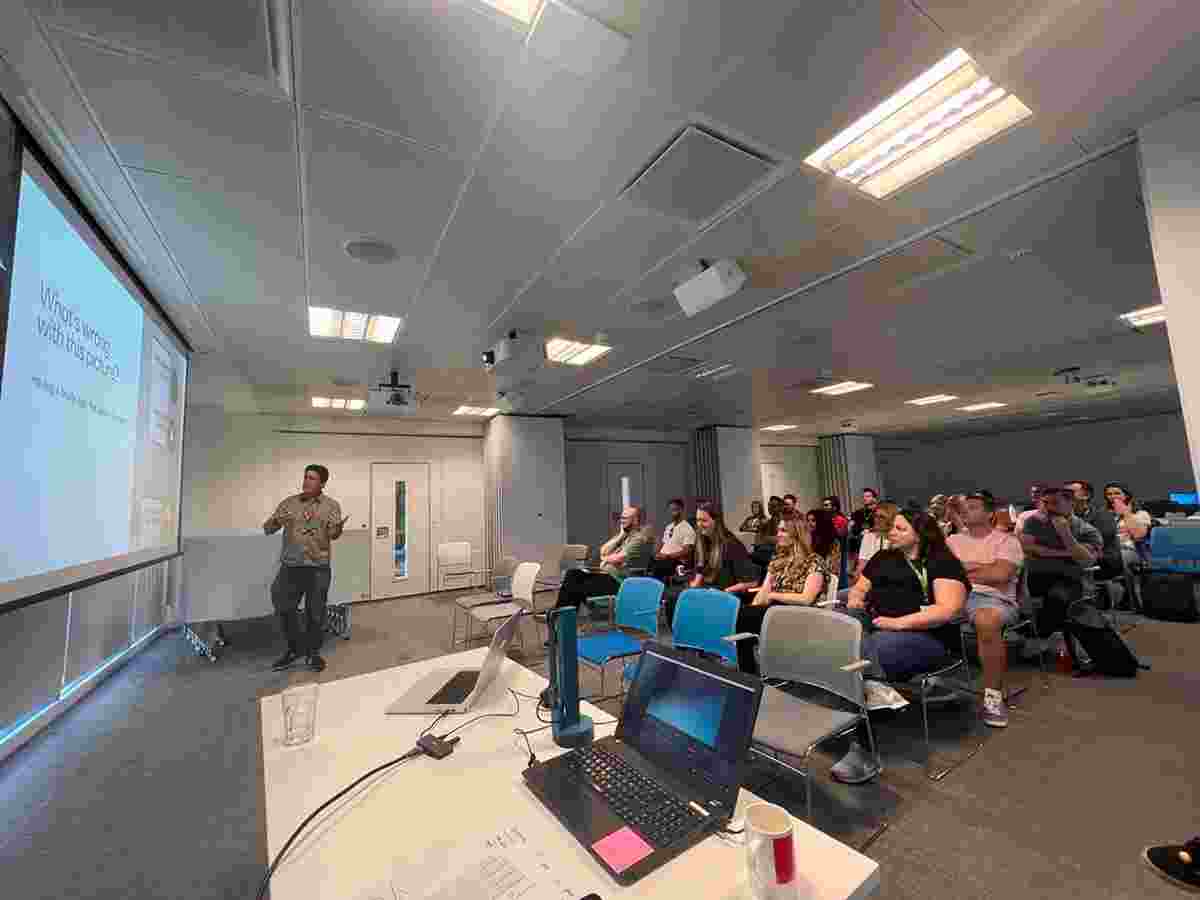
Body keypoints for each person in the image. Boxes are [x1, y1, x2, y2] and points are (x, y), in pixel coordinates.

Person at [830, 509, 969, 783]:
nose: (891, 532)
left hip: (928, 637)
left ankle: (864, 751)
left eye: (900, 528)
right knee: (839, 629)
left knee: (861, 659)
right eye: (892, 527)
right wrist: (856, 599)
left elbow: (947, 610)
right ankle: (875, 688)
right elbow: (859, 590)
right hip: (876, 627)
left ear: (920, 535)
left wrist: (899, 623)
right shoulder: (883, 558)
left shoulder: (942, 562)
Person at [947, 491, 1024, 728]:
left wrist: (965, 569)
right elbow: (944, 574)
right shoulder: (952, 541)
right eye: (964, 507)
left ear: (990, 513)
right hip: (953, 595)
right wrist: (983, 567)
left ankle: (993, 697)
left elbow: (1000, 575)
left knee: (986, 620)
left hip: (993, 599)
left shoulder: (1007, 541)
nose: (965, 510)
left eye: (973, 506)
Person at [263, 464, 350, 672]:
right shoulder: (289, 503)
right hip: (291, 567)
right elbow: (268, 529)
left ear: (322, 483)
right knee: (283, 605)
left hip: (318, 567)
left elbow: (333, 535)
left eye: (311, 478)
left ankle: (312, 653)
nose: (306, 481)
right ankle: (294, 649)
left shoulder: (331, 506)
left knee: (316, 613)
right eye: (305, 477)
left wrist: (337, 529)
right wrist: (276, 521)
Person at [1017, 484, 1103, 672]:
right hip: (1034, 577)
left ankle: (1045, 639)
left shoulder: (1086, 530)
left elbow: (1087, 560)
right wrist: (1066, 553)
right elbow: (1028, 548)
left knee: (1060, 598)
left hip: (1069, 580)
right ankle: (1041, 636)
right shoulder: (1033, 522)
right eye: (1045, 503)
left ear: (1070, 503)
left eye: (1055, 503)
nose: (1048, 508)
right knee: (1029, 599)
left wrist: (1065, 535)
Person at [732, 518, 834, 674]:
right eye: (778, 530)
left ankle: (748, 671)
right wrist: (753, 607)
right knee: (742, 614)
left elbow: (806, 599)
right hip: (775, 611)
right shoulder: (778, 561)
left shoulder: (814, 561)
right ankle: (748, 670)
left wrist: (774, 595)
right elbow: (763, 592)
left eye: (783, 530)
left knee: (744, 618)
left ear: (797, 534)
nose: (778, 534)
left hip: (802, 614)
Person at [665, 502, 760, 624]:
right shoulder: (703, 541)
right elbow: (700, 569)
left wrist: (724, 592)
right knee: (673, 598)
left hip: (724, 594)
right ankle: (683, 639)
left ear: (716, 521)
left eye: (704, 521)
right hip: (708, 590)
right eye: (698, 521)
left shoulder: (731, 544)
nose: (699, 525)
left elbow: (751, 582)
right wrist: (694, 585)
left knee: (680, 602)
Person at [556, 506, 654, 610]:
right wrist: (621, 535)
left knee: (575, 585)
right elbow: (603, 550)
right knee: (573, 575)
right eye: (621, 518)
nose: (621, 521)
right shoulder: (625, 536)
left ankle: (562, 616)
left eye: (625, 518)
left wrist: (605, 559)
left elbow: (618, 558)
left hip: (621, 583)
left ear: (635, 520)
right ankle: (563, 615)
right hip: (608, 577)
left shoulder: (639, 538)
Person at [1069, 480, 1122, 579]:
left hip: (1104, 561)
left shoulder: (1103, 515)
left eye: (1070, 492)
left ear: (1086, 495)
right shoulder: (1061, 516)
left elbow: (1098, 540)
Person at [1105, 482, 1153, 567]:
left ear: (1126, 495)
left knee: (1117, 558)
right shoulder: (1103, 514)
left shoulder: (1140, 514)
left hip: (1129, 550)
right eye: (1109, 494)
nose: (1113, 496)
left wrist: (1125, 513)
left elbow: (1139, 535)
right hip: (1107, 550)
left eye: (1117, 493)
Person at [852, 501, 898, 584]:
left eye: (882, 517)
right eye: (876, 516)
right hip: (868, 583)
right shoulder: (868, 537)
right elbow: (861, 568)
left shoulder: (897, 539)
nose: (877, 520)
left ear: (891, 519)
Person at [650, 498, 696, 581]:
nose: (672, 512)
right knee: (647, 562)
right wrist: (658, 554)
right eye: (670, 510)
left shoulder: (688, 528)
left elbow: (687, 551)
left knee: (657, 568)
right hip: (664, 559)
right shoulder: (669, 527)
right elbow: (663, 544)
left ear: (681, 510)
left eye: (675, 510)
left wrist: (667, 556)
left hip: (675, 561)